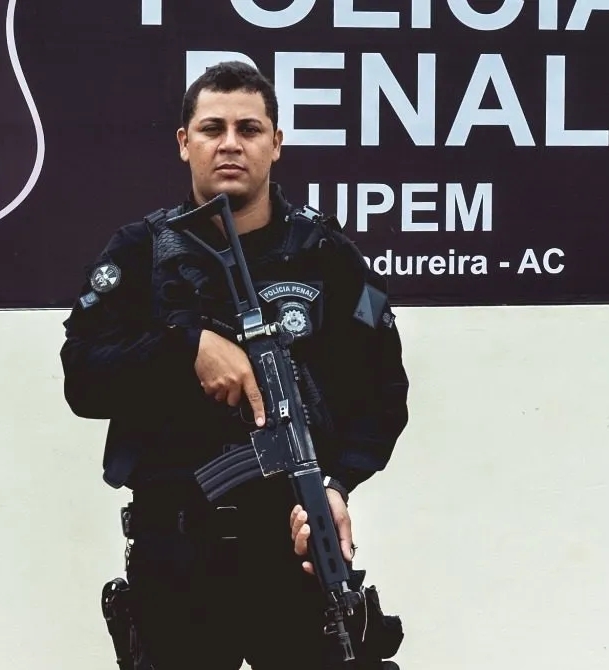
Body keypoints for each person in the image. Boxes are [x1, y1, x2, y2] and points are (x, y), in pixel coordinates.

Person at [60, 61, 409, 670]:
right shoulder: (141, 253)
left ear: (276, 143)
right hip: (177, 556)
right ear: (184, 143)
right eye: (211, 128)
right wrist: (186, 349)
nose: (229, 144)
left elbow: (382, 395)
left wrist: (336, 485)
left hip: (296, 551)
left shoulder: (325, 255)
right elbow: (82, 378)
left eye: (249, 129)